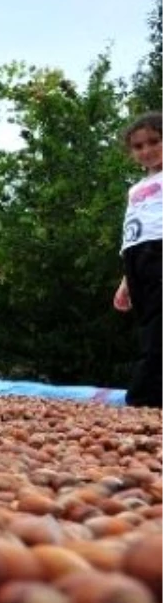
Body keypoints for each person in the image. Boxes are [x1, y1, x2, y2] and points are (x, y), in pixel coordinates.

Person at [114, 110, 163, 408]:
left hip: (161, 251)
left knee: (160, 324)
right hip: (136, 258)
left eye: (154, 141)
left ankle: (146, 399)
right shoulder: (135, 189)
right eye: (138, 146)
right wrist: (125, 282)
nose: (146, 150)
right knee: (148, 324)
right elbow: (132, 231)